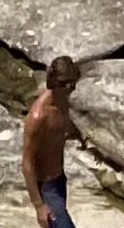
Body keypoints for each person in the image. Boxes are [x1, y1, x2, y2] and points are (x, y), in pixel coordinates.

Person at [23, 56, 81, 226]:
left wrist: (83, 140)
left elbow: (62, 129)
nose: (72, 89)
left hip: (59, 179)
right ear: (56, 83)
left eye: (73, 84)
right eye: (68, 85)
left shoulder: (63, 102)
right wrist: (39, 205)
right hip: (46, 188)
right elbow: (27, 164)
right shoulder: (38, 117)